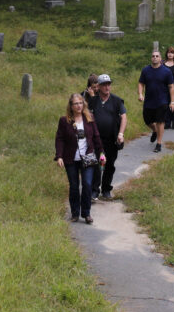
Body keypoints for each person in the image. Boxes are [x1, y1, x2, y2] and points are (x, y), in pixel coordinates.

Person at [54, 93, 105, 224]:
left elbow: (96, 136)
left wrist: (101, 153)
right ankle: (75, 213)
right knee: (74, 186)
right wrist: (59, 156)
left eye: (81, 103)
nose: (78, 106)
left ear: (84, 104)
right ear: (71, 106)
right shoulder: (64, 120)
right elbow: (60, 139)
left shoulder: (89, 118)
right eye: (75, 103)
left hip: (87, 157)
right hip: (71, 158)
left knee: (87, 184)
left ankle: (86, 213)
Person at [89, 74, 127, 200]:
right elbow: (87, 116)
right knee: (97, 164)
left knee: (109, 164)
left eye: (108, 84)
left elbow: (123, 117)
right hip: (96, 139)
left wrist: (121, 134)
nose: (107, 87)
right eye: (104, 85)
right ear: (98, 86)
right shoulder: (93, 101)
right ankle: (95, 190)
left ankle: (106, 189)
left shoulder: (117, 101)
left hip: (112, 139)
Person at [138, 49, 174, 153]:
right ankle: (154, 130)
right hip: (149, 101)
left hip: (162, 101)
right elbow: (141, 83)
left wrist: (172, 102)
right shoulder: (146, 70)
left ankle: (158, 144)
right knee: (147, 120)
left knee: (160, 121)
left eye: (157, 56)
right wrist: (140, 94)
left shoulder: (166, 71)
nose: (155, 58)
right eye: (153, 56)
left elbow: (171, 87)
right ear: (151, 58)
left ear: (160, 59)